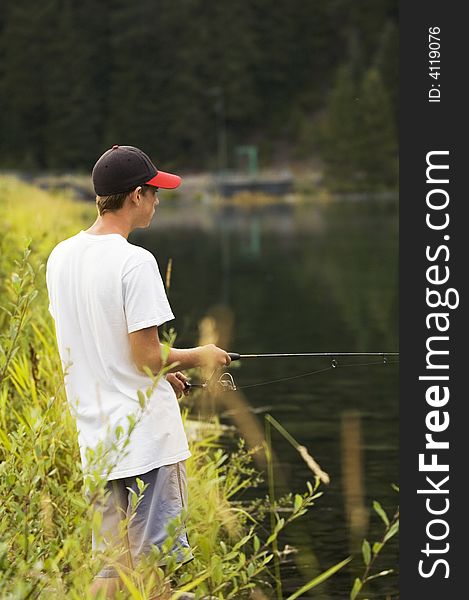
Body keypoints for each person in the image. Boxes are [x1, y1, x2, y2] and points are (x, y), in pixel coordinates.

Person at [46, 145, 231, 599]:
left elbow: (95, 347)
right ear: (134, 196)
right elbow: (147, 357)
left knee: (111, 570)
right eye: (153, 192)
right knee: (154, 572)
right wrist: (199, 354)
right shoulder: (135, 262)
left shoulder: (61, 257)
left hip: (99, 440)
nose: (157, 200)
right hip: (148, 441)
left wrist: (157, 376)